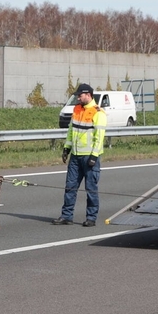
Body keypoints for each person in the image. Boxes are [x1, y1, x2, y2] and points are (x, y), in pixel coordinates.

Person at [53, 83, 106, 227]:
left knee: (91, 189)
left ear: (88, 95)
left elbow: (99, 137)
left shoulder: (98, 113)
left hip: (89, 157)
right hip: (75, 156)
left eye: (80, 95)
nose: (78, 98)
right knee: (70, 187)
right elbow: (71, 130)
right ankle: (66, 216)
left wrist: (94, 156)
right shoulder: (76, 109)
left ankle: (91, 218)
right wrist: (66, 148)